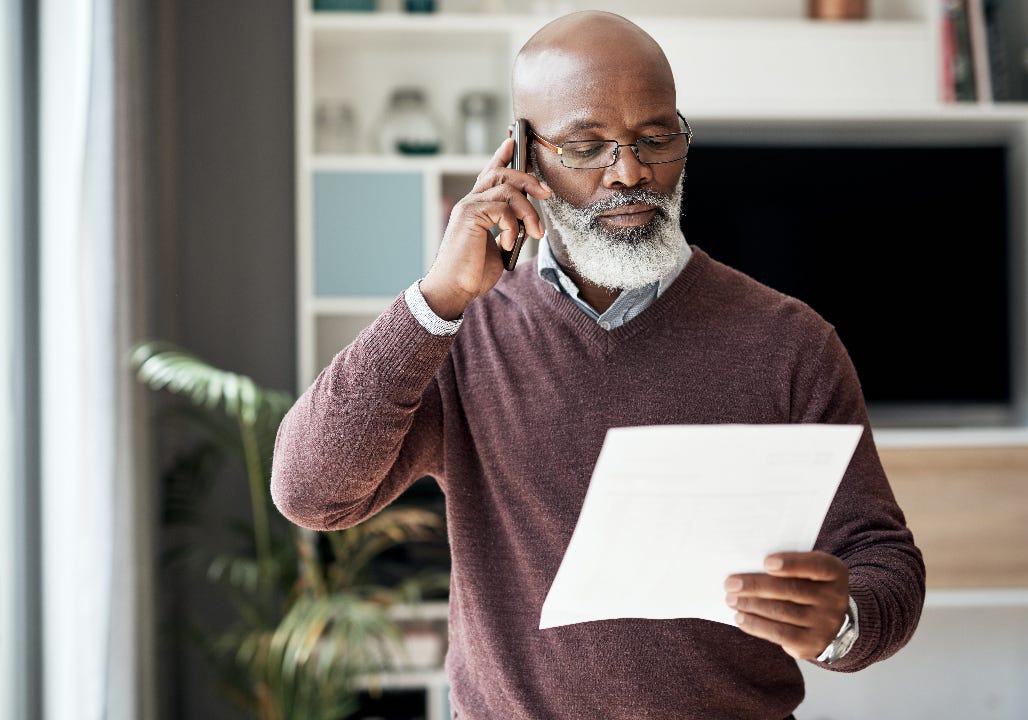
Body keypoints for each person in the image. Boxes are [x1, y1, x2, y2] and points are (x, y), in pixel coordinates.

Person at [273, 10, 924, 720]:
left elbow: (883, 559)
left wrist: (843, 622)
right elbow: (312, 493)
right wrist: (435, 300)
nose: (631, 172)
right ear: (522, 157)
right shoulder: (459, 334)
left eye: (656, 137)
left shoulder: (790, 341)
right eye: (587, 145)